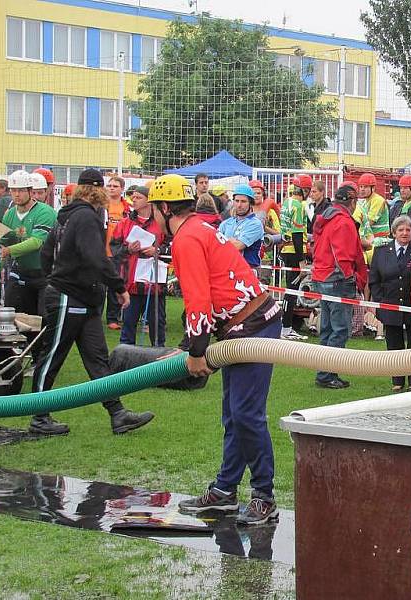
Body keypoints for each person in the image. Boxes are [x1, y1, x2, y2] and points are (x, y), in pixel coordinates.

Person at [148, 174, 283, 525]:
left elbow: (197, 300)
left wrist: (195, 353)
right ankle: (224, 491)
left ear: (164, 208)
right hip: (243, 325)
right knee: (235, 414)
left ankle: (264, 497)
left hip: (253, 325)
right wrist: (190, 346)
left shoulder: (186, 238)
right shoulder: (201, 228)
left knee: (247, 415)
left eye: (153, 209)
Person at [30, 168, 155, 436]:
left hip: (77, 295)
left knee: (98, 359)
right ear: (98, 190)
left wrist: (53, 276)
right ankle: (39, 416)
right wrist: (118, 287)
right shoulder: (87, 217)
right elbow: (96, 258)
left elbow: (45, 251)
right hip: (70, 295)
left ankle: (118, 413)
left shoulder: (66, 216)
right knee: (52, 356)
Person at [310, 183, 368, 389]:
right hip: (337, 280)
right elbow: (344, 255)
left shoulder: (326, 217)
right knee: (340, 329)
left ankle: (324, 371)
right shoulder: (343, 222)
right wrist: (352, 277)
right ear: (352, 202)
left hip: (323, 277)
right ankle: (327, 374)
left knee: (327, 328)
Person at [110, 185, 167, 347]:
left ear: (148, 200)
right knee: (128, 324)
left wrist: (158, 250)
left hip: (154, 284)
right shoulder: (124, 224)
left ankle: (159, 359)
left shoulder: (161, 223)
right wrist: (127, 249)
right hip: (131, 283)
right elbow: (114, 249)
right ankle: (125, 359)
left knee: (157, 325)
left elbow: (171, 246)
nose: (133, 200)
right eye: (132, 197)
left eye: (138, 197)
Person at [369, 215, 411, 392]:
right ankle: (397, 381)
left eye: (408, 230)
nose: (405, 233)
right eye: (401, 230)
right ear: (394, 232)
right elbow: (374, 280)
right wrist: (381, 301)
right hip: (389, 305)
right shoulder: (381, 252)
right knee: (394, 344)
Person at [0, 170, 57, 318]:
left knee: (43, 318)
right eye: (13, 190)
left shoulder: (45, 212)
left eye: (21, 190)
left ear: (31, 191)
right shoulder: (9, 214)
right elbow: (4, 240)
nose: (16, 194)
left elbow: (36, 242)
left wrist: (8, 250)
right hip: (20, 272)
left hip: (44, 275)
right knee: (13, 314)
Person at [279, 174, 311, 340]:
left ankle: (285, 326)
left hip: (286, 250)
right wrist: (302, 260)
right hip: (294, 252)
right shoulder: (298, 206)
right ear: (305, 190)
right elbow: (298, 234)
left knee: (288, 290)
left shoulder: (286, 202)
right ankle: (286, 328)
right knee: (291, 291)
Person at [218, 184, 264, 268]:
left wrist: (223, 240)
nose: (239, 205)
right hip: (227, 269)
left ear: (250, 203)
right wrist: (231, 241)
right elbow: (215, 245)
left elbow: (237, 246)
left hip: (247, 271)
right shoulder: (226, 223)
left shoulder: (255, 224)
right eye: (237, 201)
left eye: (243, 201)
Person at [104, 175, 127, 330]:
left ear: (122, 189)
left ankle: (113, 318)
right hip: (101, 251)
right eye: (110, 185)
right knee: (98, 286)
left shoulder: (126, 208)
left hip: (117, 253)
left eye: (115, 186)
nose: (111, 188)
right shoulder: (102, 206)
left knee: (115, 286)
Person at [357, 173, 392, 247]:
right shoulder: (364, 201)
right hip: (370, 237)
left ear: (373, 188)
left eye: (365, 187)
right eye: (361, 186)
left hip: (379, 239)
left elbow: (369, 223)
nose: (362, 189)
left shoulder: (378, 200)